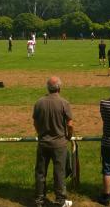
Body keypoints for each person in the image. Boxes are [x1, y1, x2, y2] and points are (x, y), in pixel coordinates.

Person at [32, 77, 74, 207]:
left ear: (47, 88)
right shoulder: (64, 103)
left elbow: (35, 123)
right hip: (59, 144)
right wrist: (68, 136)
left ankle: (39, 200)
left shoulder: (39, 102)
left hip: (43, 143)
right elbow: (70, 124)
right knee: (59, 173)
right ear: (59, 88)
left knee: (40, 172)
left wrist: (40, 134)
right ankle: (60, 200)